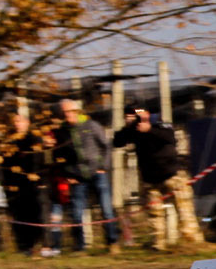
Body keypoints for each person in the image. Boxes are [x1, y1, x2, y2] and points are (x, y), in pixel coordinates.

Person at [113, 107, 184, 250]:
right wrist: (128, 127)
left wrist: (150, 129)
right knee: (154, 213)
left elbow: (170, 138)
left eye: (138, 113)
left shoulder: (159, 124)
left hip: (172, 175)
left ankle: (190, 241)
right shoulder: (133, 129)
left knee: (184, 209)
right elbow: (117, 142)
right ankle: (158, 243)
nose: (136, 117)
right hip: (150, 179)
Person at [53, 98, 117, 251]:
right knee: (77, 212)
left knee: (106, 208)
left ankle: (112, 241)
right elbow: (60, 155)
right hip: (77, 176)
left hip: (97, 172)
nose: (67, 114)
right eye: (64, 112)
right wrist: (68, 174)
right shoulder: (62, 131)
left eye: (70, 111)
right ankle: (80, 245)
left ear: (77, 111)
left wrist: (103, 166)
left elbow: (106, 146)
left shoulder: (91, 125)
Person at [1, 112, 54, 256]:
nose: (17, 124)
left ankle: (45, 245)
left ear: (27, 122)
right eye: (15, 121)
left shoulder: (35, 140)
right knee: (21, 216)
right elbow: (6, 165)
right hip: (17, 186)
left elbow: (42, 162)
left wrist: (42, 180)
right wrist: (8, 184)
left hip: (36, 184)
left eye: (20, 121)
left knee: (40, 215)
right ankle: (26, 246)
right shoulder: (9, 142)